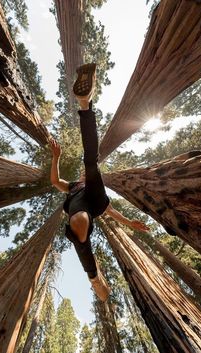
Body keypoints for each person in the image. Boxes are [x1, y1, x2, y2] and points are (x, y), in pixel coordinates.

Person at [49, 63, 149, 302]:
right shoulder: (72, 186)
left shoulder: (86, 179)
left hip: (96, 199)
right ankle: (94, 276)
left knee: (91, 163)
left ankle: (85, 103)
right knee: (79, 220)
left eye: (81, 176)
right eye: (80, 176)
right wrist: (56, 158)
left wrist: (129, 222)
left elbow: (111, 211)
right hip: (81, 205)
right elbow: (54, 181)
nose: (80, 175)